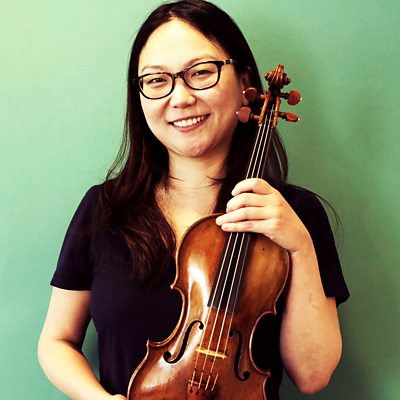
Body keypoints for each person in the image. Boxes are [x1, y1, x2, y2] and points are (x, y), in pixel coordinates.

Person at [38, 1, 349, 399]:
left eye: (201, 72)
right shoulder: (104, 208)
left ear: (245, 82)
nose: (180, 98)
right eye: (156, 80)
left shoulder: (295, 213)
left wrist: (299, 245)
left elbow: (313, 375)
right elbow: (57, 342)